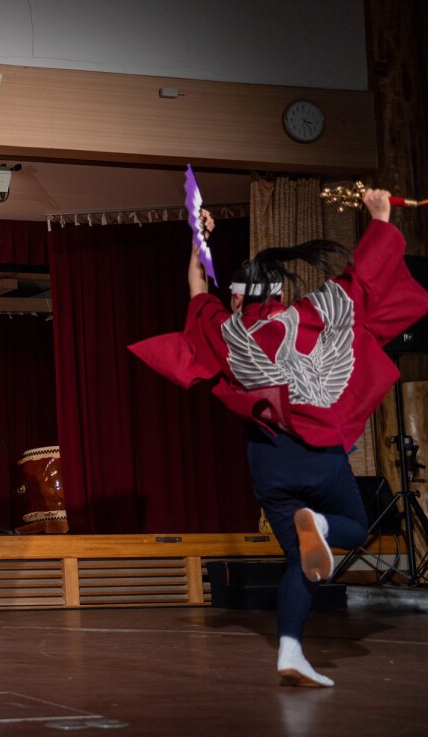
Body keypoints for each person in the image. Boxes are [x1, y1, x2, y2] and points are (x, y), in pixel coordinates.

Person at [130, 190, 428, 687]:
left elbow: (195, 286)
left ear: (237, 299)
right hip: (317, 455)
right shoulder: (309, 315)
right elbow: (363, 279)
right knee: (354, 524)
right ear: (280, 297)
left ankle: (290, 651)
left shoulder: (225, 330)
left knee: (305, 563)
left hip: (268, 464)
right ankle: (324, 528)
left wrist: (197, 241)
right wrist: (379, 218)